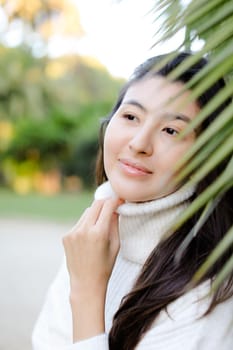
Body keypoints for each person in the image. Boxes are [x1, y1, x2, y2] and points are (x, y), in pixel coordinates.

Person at [32, 52, 233, 350]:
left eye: (171, 130)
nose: (139, 143)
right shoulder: (94, 236)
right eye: (130, 116)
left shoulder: (211, 291)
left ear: (207, 158)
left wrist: (88, 293)